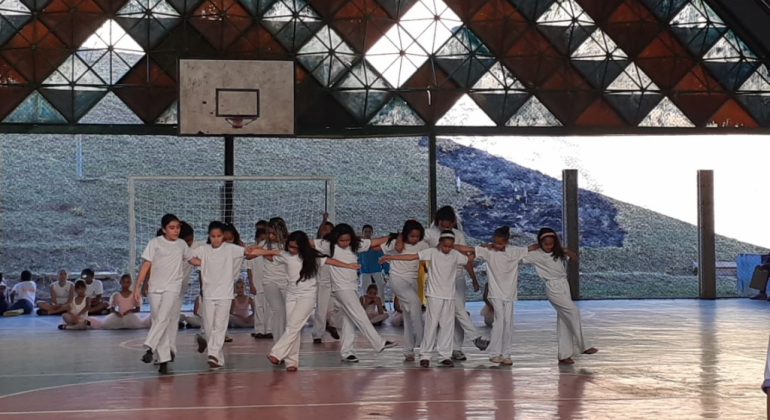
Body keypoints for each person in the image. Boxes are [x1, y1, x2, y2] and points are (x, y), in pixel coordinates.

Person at [189, 221, 277, 368]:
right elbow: (189, 258)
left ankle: (213, 353)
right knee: (209, 326)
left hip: (225, 294)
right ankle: (217, 357)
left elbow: (249, 252)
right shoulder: (203, 249)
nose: (216, 239)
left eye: (218, 236)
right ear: (209, 236)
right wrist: (204, 264)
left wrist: (270, 252)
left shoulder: (230, 249)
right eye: (213, 236)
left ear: (223, 236)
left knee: (220, 326)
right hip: (209, 294)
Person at [268, 230, 359, 371]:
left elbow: (330, 261)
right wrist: (252, 251)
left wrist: (349, 266)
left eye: (295, 247)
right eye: (290, 247)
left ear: (302, 246)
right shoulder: (286, 255)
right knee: (292, 327)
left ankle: (277, 353)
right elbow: (270, 254)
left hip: (307, 296)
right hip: (291, 295)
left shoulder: (313, 257)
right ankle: (291, 362)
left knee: (293, 326)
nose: (291, 250)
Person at [381, 230, 472, 368]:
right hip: (434, 295)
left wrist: (478, 251)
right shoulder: (432, 252)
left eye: (450, 246)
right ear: (440, 243)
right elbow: (411, 257)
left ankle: (445, 356)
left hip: (449, 295)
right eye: (445, 246)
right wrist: (392, 258)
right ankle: (425, 355)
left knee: (447, 326)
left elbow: (468, 259)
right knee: (431, 324)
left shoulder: (456, 255)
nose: (447, 249)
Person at [313, 223, 396, 362]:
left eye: (347, 240)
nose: (345, 243)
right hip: (340, 288)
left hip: (351, 287)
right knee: (359, 314)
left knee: (349, 319)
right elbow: (308, 242)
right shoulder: (327, 244)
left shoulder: (356, 244)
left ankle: (347, 352)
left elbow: (373, 242)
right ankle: (378, 342)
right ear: (335, 239)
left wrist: (391, 236)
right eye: (342, 241)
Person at [455, 226, 532, 365]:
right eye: (495, 242)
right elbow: (469, 250)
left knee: (508, 322)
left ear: (507, 242)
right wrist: (450, 246)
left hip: (509, 293)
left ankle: (506, 354)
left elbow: (532, 248)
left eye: (500, 243)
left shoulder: (514, 251)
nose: (497, 246)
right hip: (495, 293)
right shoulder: (488, 251)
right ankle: (494, 353)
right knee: (499, 320)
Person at [522, 228, 598, 364]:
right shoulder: (535, 254)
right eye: (546, 244)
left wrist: (567, 251)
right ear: (540, 243)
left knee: (564, 320)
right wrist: (530, 248)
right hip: (552, 287)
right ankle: (584, 346)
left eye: (551, 244)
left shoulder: (557, 252)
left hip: (564, 284)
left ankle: (564, 355)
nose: (549, 247)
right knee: (573, 311)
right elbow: (517, 256)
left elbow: (574, 259)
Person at [424, 206, 489, 360]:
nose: (446, 227)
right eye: (443, 224)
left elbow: (465, 256)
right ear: (437, 221)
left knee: (458, 312)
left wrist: (473, 277)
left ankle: (456, 348)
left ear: (453, 223)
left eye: (449, 225)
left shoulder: (459, 235)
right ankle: (475, 338)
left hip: (457, 277)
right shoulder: (429, 234)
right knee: (458, 310)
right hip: (439, 280)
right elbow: (415, 245)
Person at [133, 214, 195, 374]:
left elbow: (191, 259)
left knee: (163, 318)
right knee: (158, 321)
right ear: (164, 229)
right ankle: (163, 360)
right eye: (172, 228)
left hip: (173, 287)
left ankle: (149, 348)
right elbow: (146, 264)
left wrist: (212, 261)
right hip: (155, 287)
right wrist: (137, 286)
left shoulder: (182, 244)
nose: (175, 231)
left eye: (177, 228)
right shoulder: (155, 243)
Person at [381, 219, 429, 361]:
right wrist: (399, 238)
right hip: (397, 278)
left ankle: (408, 350)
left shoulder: (423, 244)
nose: (415, 239)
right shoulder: (396, 243)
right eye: (412, 236)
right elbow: (380, 247)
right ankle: (423, 342)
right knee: (415, 304)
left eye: (417, 236)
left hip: (412, 280)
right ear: (405, 234)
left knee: (408, 316)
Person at [261, 217, 290, 342]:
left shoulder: (289, 244)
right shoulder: (263, 244)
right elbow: (250, 254)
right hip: (269, 281)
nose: (271, 236)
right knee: (278, 311)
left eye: (274, 233)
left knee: (290, 313)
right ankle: (278, 345)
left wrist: (263, 252)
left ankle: (289, 342)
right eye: (269, 233)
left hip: (287, 281)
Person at [312, 214, 339, 343]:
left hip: (334, 279)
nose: (327, 232)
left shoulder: (336, 245)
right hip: (322, 281)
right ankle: (317, 333)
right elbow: (318, 235)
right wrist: (323, 221)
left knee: (335, 306)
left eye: (330, 230)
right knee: (321, 308)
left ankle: (331, 324)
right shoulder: (320, 244)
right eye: (325, 229)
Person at [248, 224, 272, 339]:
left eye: (264, 240)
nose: (263, 242)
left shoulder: (268, 253)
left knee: (269, 307)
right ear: (256, 239)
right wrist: (251, 284)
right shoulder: (252, 252)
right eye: (261, 239)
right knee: (258, 307)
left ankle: (269, 329)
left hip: (268, 283)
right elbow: (249, 269)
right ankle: (259, 330)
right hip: (257, 284)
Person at [358, 224, 389, 302]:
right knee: (364, 287)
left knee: (380, 286)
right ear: (362, 233)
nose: (367, 233)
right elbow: (358, 259)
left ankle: (381, 304)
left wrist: (386, 271)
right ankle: (365, 303)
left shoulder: (376, 245)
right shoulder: (360, 245)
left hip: (376, 269)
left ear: (372, 233)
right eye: (366, 232)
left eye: (369, 232)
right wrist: (358, 271)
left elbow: (383, 258)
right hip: (364, 271)